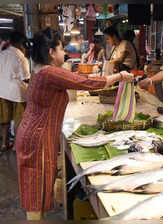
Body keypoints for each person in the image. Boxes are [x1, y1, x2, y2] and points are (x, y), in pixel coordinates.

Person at [15, 28, 133, 220]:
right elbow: (87, 82)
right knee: (36, 192)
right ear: (51, 52)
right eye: (61, 48)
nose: (65, 52)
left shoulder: (40, 70)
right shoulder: (49, 73)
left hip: (33, 134)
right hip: (38, 138)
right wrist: (120, 77)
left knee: (37, 187)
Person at [0, 31, 30, 154]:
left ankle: (4, 143)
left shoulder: (2, 54)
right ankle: (15, 146)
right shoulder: (21, 57)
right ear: (20, 43)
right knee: (19, 120)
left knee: (4, 119)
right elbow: (26, 78)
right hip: (17, 93)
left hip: (2, 91)